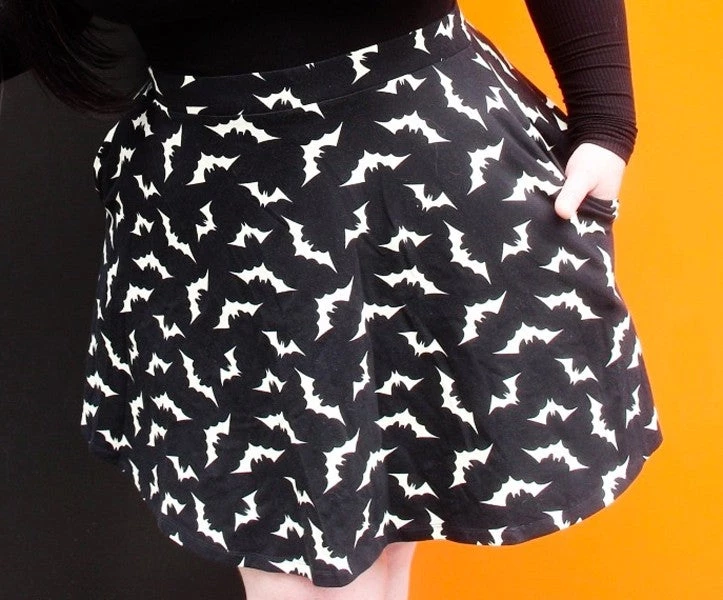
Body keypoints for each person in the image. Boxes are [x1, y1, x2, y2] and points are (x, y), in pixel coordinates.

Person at [1, 1, 664, 599]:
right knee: (305, 567)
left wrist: (606, 117)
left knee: (384, 541)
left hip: (424, 156)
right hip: (219, 205)